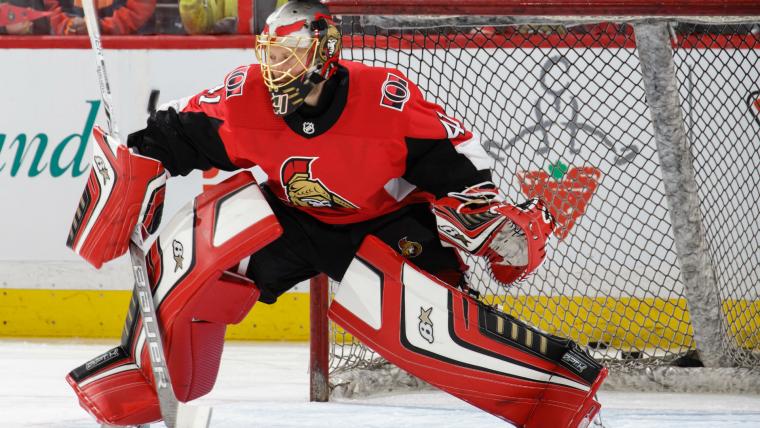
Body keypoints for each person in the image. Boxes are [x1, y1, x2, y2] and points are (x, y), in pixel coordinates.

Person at [65, 1, 607, 427]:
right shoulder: (243, 96)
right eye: (270, 55)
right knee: (188, 261)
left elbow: (453, 155)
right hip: (294, 222)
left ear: (324, 53)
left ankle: (557, 389)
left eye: (290, 54)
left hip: (388, 223)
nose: (276, 68)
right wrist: (135, 161)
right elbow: (176, 134)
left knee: (439, 328)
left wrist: (479, 211)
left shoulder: (385, 98)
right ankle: (137, 385)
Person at [45, 0, 156, 35]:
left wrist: (100, 27)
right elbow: (50, 8)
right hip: (69, 53)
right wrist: (67, 25)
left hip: (128, 53)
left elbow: (139, 10)